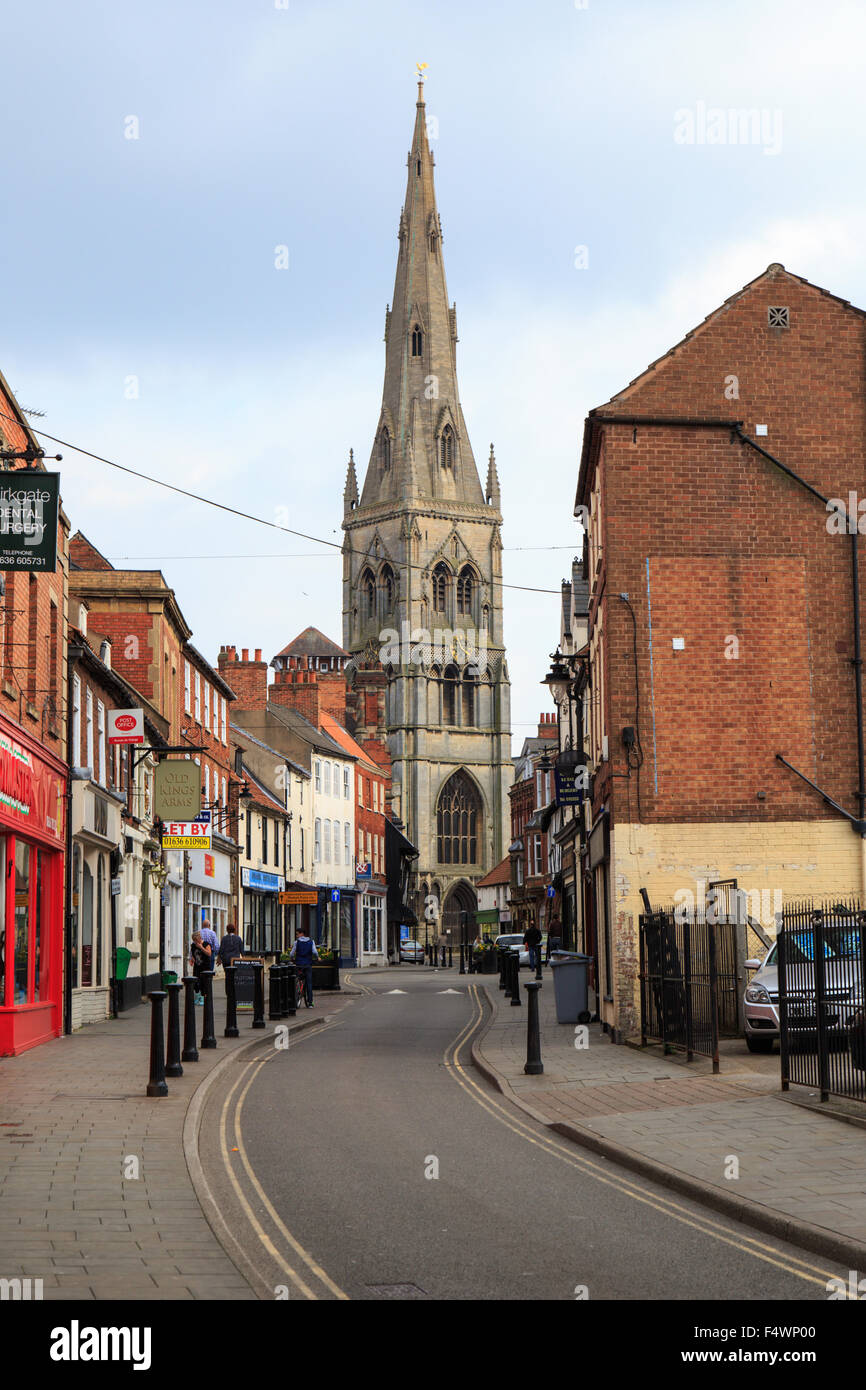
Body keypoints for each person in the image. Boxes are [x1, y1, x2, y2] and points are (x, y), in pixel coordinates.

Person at [290, 928, 319, 1008]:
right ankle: (310, 1003)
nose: (296, 936)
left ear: (301, 934)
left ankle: (297, 987)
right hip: (308, 964)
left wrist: (291, 958)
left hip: (299, 964)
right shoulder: (311, 942)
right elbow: (315, 952)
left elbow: (292, 953)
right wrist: (317, 957)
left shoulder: (296, 942)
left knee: (297, 979)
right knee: (309, 983)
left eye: (297, 934)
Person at [189, 930, 213, 1004]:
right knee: (196, 982)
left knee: (204, 983)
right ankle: (197, 997)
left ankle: (203, 998)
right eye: (194, 940)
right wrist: (192, 959)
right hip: (197, 966)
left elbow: (209, 954)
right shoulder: (193, 945)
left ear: (200, 938)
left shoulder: (206, 944)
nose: (195, 942)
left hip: (205, 966)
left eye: (196, 940)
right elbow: (193, 954)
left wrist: (201, 947)